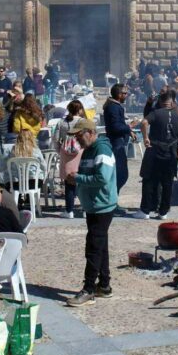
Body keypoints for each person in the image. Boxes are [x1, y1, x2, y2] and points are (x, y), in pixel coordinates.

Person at [65, 118, 118, 306]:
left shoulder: (102, 150)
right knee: (100, 244)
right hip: (93, 205)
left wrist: (78, 178)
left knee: (93, 247)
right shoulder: (88, 149)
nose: (77, 141)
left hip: (102, 205)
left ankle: (88, 289)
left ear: (90, 132)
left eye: (79, 136)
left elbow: (102, 178)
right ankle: (104, 285)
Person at [136, 89, 178, 220]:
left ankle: (145, 211)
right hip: (171, 153)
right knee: (167, 182)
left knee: (149, 179)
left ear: (160, 101)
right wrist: (175, 139)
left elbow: (143, 122)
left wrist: (146, 137)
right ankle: (163, 212)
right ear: (172, 102)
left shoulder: (156, 113)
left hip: (154, 150)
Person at [55, 100, 86, 218]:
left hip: (66, 154)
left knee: (69, 183)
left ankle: (69, 211)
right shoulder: (84, 122)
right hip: (81, 153)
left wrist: (60, 151)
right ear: (79, 110)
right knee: (83, 183)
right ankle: (85, 210)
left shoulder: (62, 122)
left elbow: (56, 139)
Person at [103, 83, 133, 197]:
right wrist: (129, 127)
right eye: (125, 93)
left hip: (118, 142)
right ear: (119, 94)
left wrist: (129, 131)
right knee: (120, 174)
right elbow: (115, 127)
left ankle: (113, 199)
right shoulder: (113, 107)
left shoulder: (115, 106)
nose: (127, 95)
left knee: (120, 174)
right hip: (115, 143)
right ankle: (111, 199)